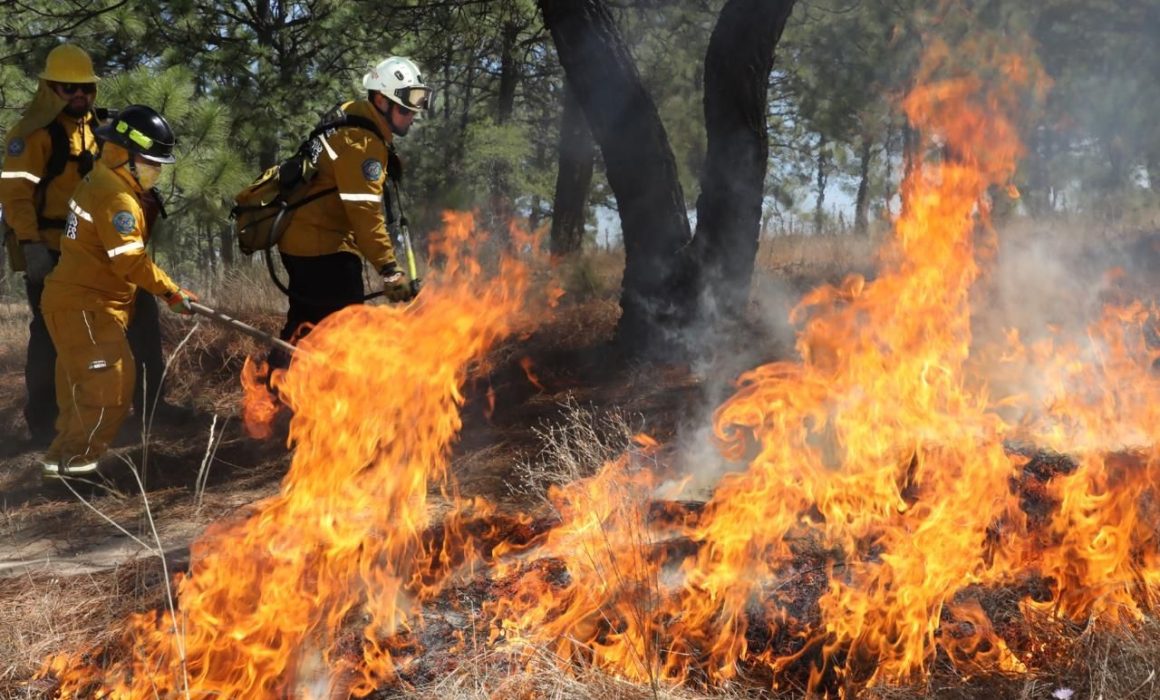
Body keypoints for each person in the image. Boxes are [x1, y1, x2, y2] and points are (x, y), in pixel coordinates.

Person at [0, 44, 176, 447]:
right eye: (68, 88)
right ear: (49, 88)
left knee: (142, 318)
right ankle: (44, 422)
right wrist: (31, 248)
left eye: (86, 89)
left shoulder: (99, 127)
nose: (80, 96)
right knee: (51, 333)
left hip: (99, 246)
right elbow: (15, 197)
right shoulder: (30, 136)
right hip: (51, 249)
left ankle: (153, 407)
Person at [38, 105, 199, 476]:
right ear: (125, 154)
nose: (155, 171)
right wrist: (172, 293)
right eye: (149, 161)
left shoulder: (100, 177)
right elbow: (130, 261)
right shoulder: (117, 198)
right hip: (87, 306)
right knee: (110, 387)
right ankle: (78, 469)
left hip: (74, 303)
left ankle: (58, 466)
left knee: (81, 392)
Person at [270, 55, 431, 365]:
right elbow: (365, 214)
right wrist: (389, 270)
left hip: (300, 240)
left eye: (414, 108)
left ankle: (273, 395)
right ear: (382, 101)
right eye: (405, 108)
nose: (412, 116)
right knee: (347, 332)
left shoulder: (350, 117)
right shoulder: (363, 142)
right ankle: (334, 400)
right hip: (324, 248)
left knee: (305, 325)